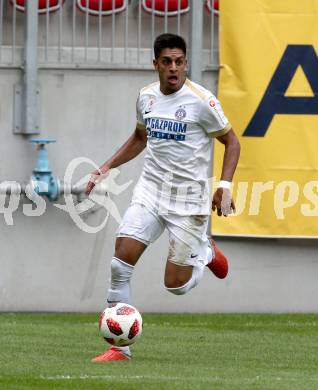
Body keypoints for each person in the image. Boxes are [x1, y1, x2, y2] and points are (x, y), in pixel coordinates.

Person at [86, 33, 240, 362]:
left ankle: (206, 251)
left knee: (176, 286)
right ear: (155, 63)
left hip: (189, 201)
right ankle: (119, 348)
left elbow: (233, 142)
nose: (174, 68)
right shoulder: (146, 97)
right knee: (120, 260)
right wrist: (107, 166)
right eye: (167, 62)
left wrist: (224, 187)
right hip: (151, 191)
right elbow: (141, 137)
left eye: (179, 62)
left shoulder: (202, 101)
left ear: (186, 64)